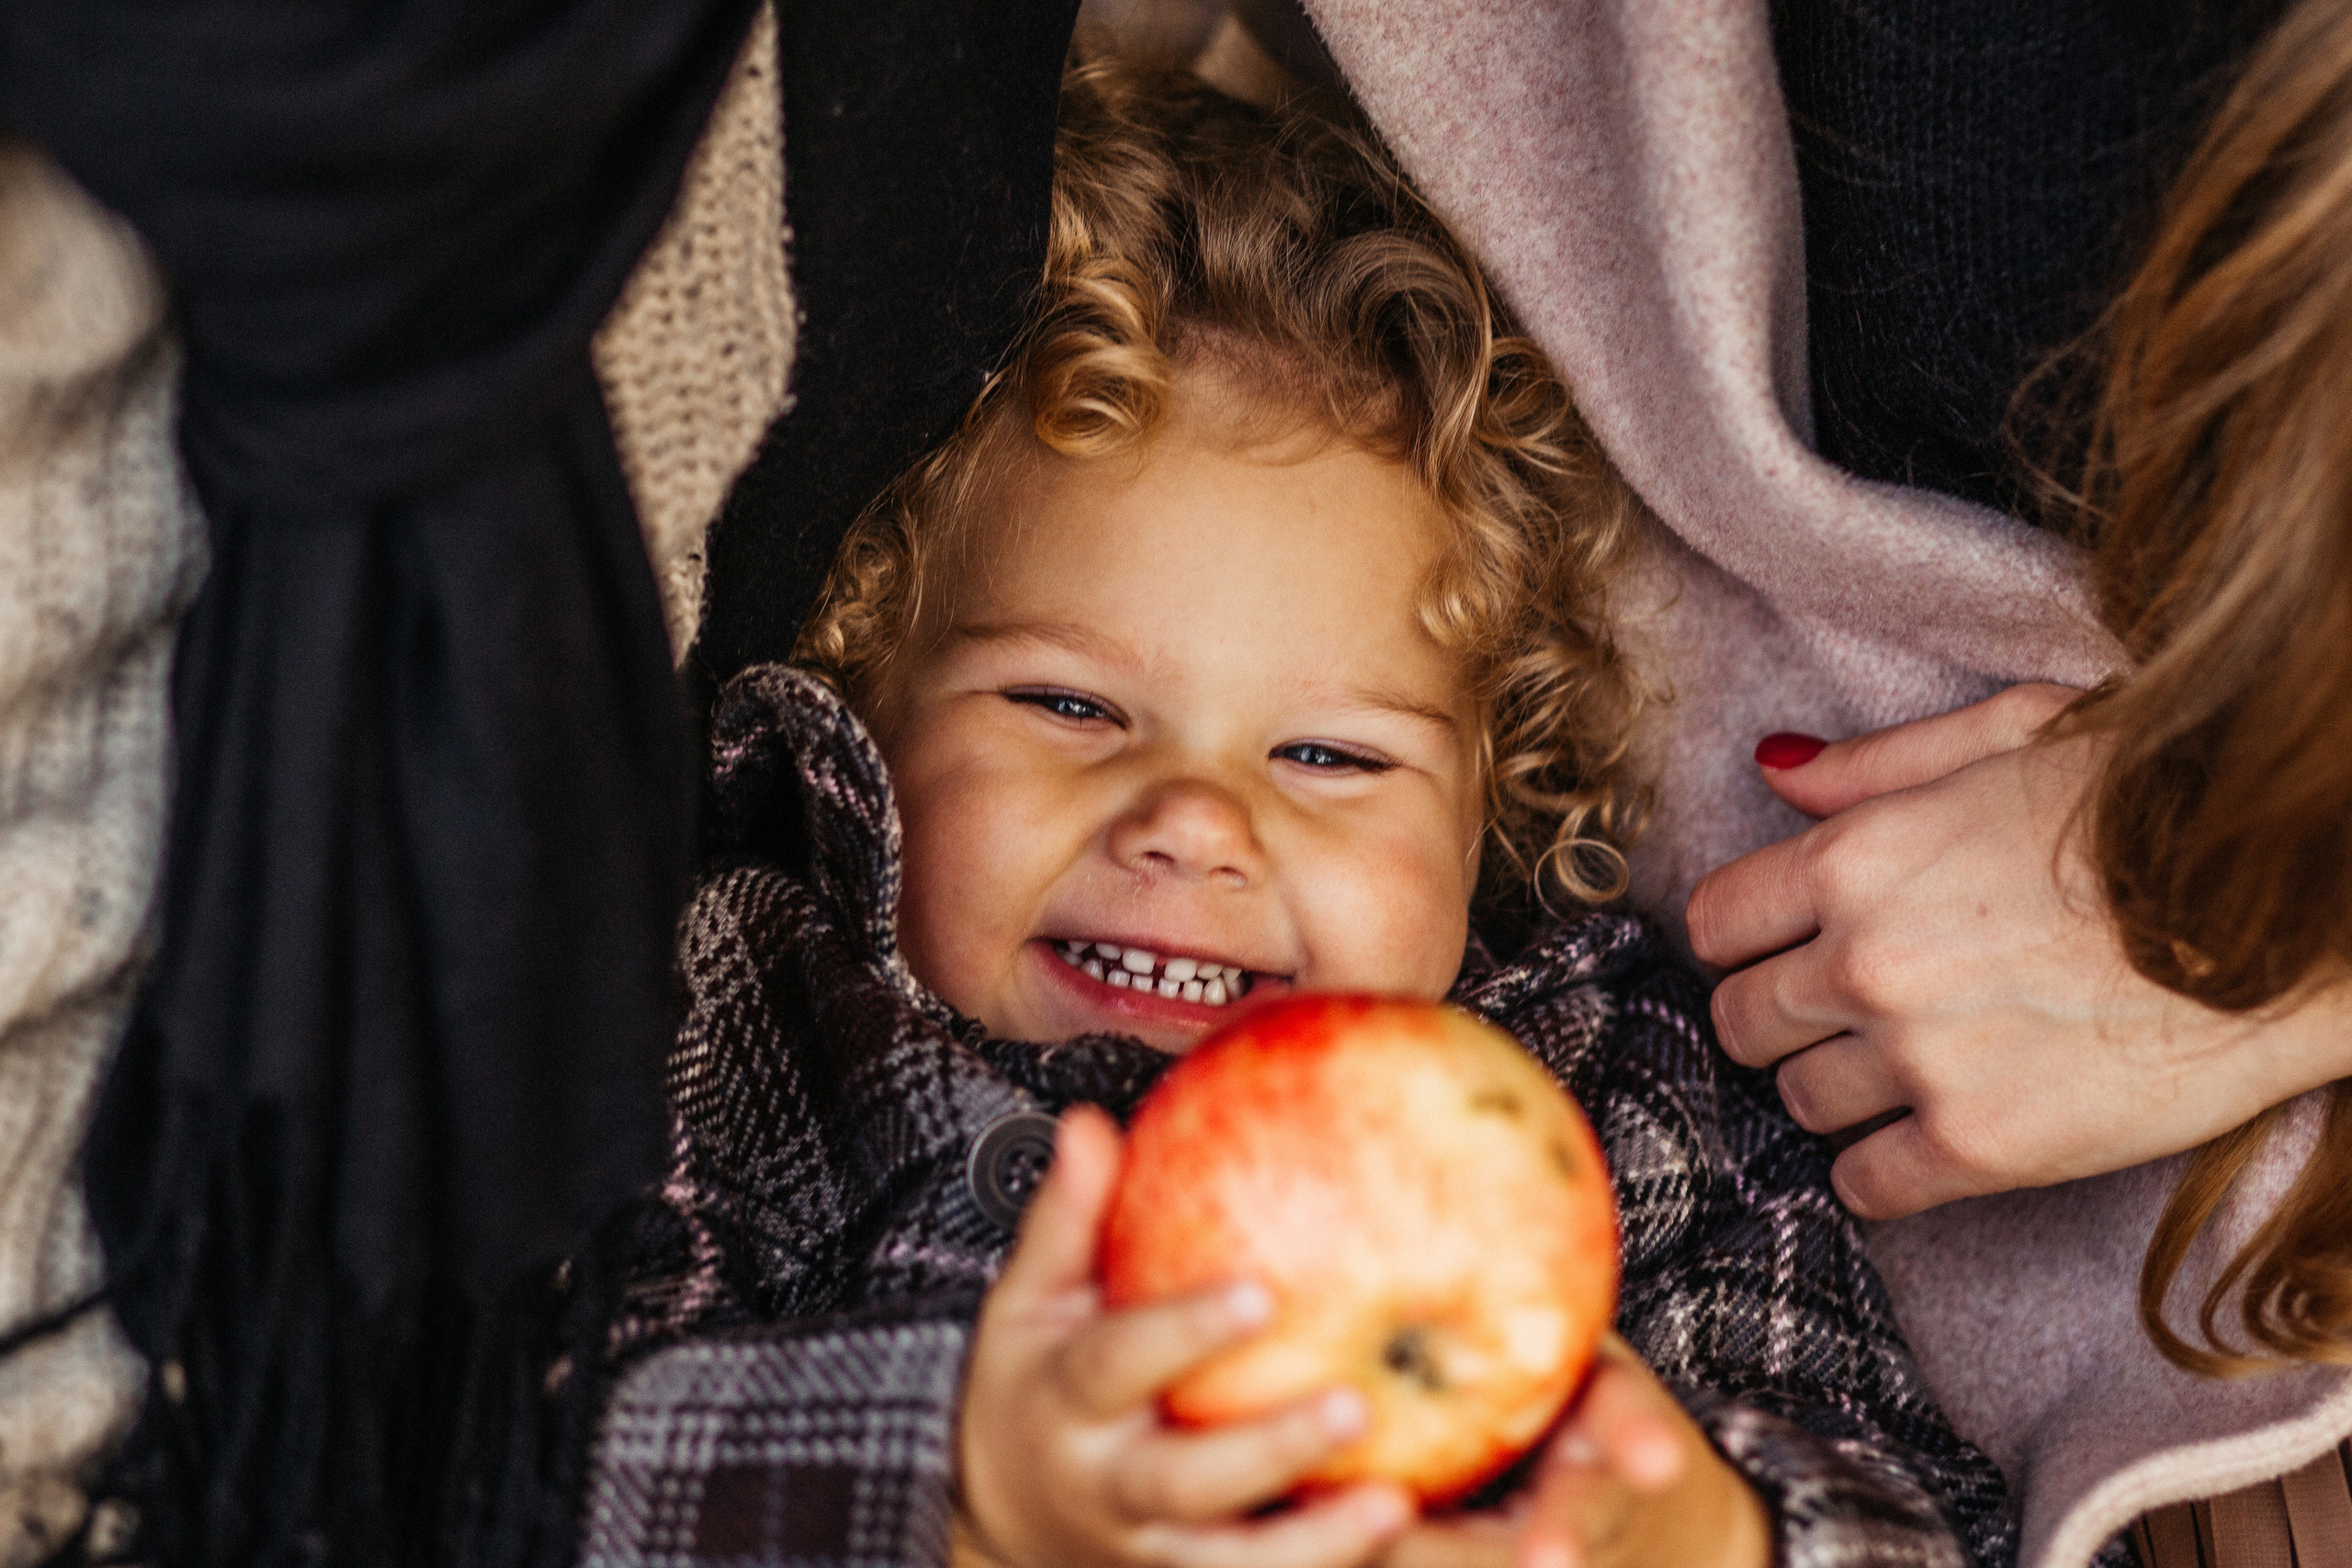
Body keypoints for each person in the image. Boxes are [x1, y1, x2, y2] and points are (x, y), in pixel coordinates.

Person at [590, 58, 2012, 1568]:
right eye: (1068, 707)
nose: (1194, 820)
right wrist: (945, 1489)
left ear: (1489, 807)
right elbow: (473, 1460)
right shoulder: (733, 1029)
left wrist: (1706, 1537)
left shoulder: (1628, 1118)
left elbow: (1954, 1516)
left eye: (1332, 758)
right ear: (869, 697)